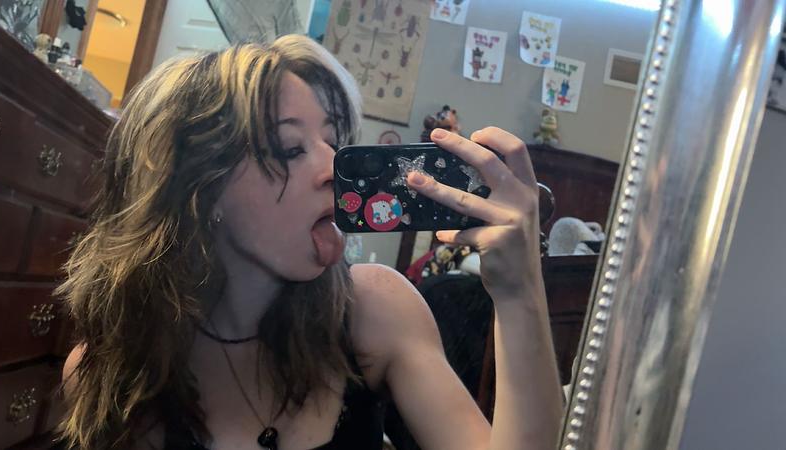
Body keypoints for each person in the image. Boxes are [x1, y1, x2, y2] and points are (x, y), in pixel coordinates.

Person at [57, 35, 562, 450]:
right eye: (290, 148)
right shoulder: (110, 375)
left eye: (333, 142)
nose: (330, 168)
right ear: (199, 189)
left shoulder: (377, 309)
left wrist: (520, 294)